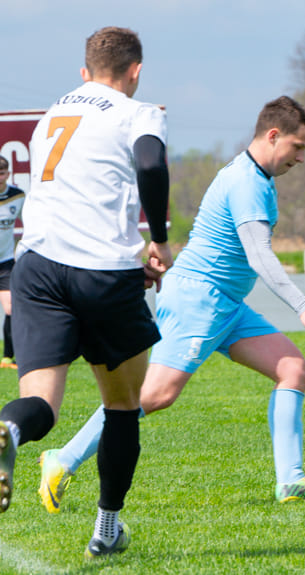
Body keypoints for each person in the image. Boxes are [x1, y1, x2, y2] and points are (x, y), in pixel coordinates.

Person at [38, 96, 305, 521]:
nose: (300, 157)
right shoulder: (246, 182)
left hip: (225, 304)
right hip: (199, 300)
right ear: (273, 135)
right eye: (297, 146)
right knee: (154, 394)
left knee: (292, 369)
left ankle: (290, 479)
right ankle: (64, 458)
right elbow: (260, 256)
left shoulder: (258, 177)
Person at [0, 26, 173, 558]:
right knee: (122, 406)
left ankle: (8, 427)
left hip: (36, 267)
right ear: (135, 70)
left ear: (84, 71)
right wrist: (157, 243)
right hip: (100, 274)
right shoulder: (138, 111)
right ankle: (107, 527)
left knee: (40, 404)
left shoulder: (53, 114)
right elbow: (149, 163)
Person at [0, 156, 25, 368]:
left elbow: (32, 222)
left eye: (2, 173)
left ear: (8, 174)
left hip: (5, 262)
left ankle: (7, 357)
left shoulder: (18, 196)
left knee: (11, 309)